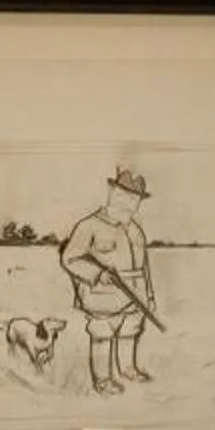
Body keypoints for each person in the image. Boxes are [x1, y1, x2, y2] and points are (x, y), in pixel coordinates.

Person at [59, 165, 157, 397]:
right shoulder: (88, 225)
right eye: (123, 195)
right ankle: (102, 381)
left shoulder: (135, 231)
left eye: (134, 199)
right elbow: (70, 258)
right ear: (112, 193)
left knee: (130, 332)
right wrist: (97, 274)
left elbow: (145, 268)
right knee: (102, 335)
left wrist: (149, 296)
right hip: (102, 298)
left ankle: (128, 370)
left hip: (135, 297)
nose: (128, 203)